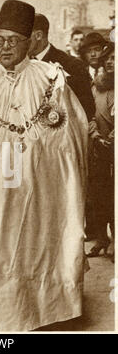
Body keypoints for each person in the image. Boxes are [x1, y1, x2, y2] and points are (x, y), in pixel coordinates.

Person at [0, 0, 88, 331]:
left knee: (39, 246)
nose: (4, 47)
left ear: (30, 42)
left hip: (42, 187)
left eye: (12, 40)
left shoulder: (52, 79)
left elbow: (73, 134)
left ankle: (44, 312)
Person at [28, 14, 95, 121]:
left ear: (38, 35)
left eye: (24, 37)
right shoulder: (22, 65)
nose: (20, 42)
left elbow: (86, 109)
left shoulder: (72, 65)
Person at [86, 41, 114, 261]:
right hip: (100, 149)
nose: (111, 63)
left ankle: (115, 239)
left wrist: (113, 137)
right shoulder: (97, 86)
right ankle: (101, 239)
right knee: (99, 195)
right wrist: (96, 136)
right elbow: (91, 115)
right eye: (108, 60)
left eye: (115, 59)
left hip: (114, 146)